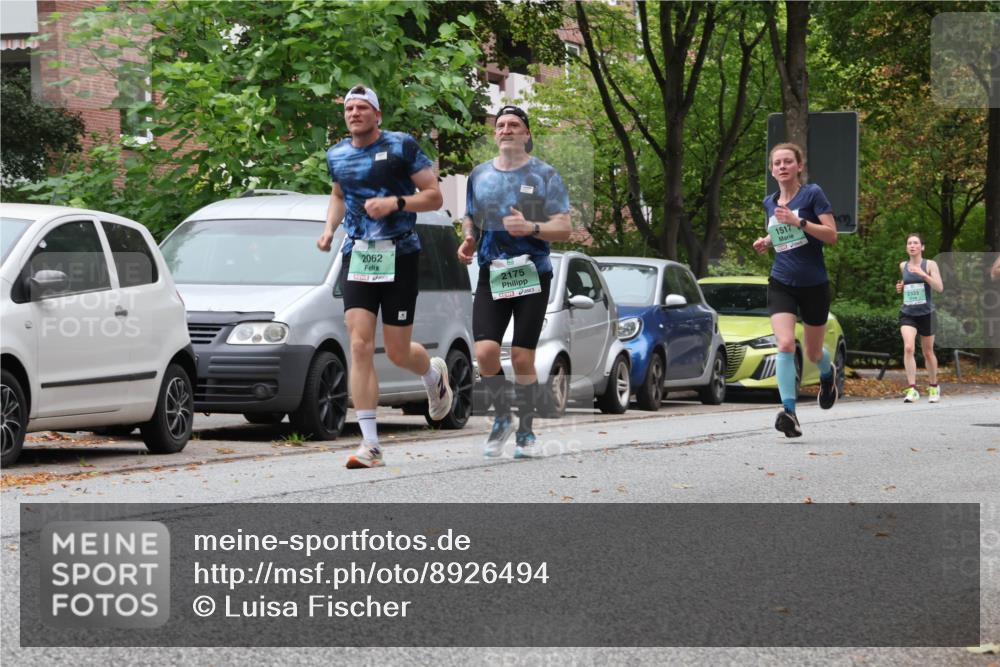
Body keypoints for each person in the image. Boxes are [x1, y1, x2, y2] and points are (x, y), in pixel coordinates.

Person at [317, 85, 452, 469]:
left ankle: (432, 375)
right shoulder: (337, 154)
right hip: (359, 254)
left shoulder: (401, 145)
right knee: (359, 344)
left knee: (396, 350)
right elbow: (338, 195)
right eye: (349, 108)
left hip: (401, 253)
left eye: (362, 108)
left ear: (377, 115)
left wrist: (396, 202)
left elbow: (434, 195)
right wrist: (329, 229)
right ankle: (370, 444)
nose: (354, 113)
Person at [457, 105, 571, 458]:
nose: (506, 129)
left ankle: (526, 433)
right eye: (501, 125)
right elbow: (470, 216)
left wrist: (531, 227)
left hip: (532, 272)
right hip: (493, 271)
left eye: (514, 125)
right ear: (495, 134)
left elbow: (564, 227)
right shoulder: (479, 175)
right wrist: (469, 238)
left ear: (526, 134)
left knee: (522, 357)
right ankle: (503, 416)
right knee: (485, 352)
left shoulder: (545, 175)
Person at [752, 143, 839, 438]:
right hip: (782, 282)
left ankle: (827, 374)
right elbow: (781, 233)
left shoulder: (812, 194)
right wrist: (767, 241)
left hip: (814, 284)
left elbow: (831, 235)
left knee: (813, 353)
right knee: (786, 344)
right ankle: (789, 411)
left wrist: (799, 221)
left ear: (799, 166)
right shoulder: (769, 202)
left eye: (788, 161)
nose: (782, 166)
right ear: (771, 169)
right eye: (777, 163)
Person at [895, 233, 944, 403]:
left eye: (916, 243)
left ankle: (933, 386)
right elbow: (908, 284)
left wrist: (923, 274)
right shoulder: (903, 266)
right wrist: (901, 287)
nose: (912, 246)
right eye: (909, 243)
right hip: (908, 313)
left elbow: (939, 287)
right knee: (908, 347)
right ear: (906, 247)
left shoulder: (930, 264)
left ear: (922, 247)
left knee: (928, 352)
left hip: (926, 314)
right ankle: (912, 389)